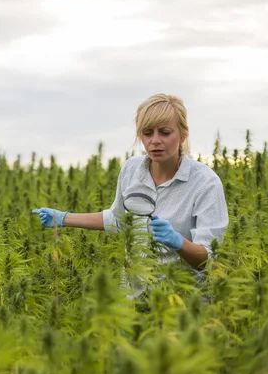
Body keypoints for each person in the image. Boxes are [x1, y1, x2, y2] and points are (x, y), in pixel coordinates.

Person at [32, 94, 229, 270]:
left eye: (165, 132)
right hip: (134, 296)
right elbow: (118, 219)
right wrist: (63, 218)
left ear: (183, 135)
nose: (155, 140)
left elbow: (209, 256)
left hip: (182, 300)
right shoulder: (132, 170)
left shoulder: (205, 183)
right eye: (147, 132)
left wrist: (179, 242)